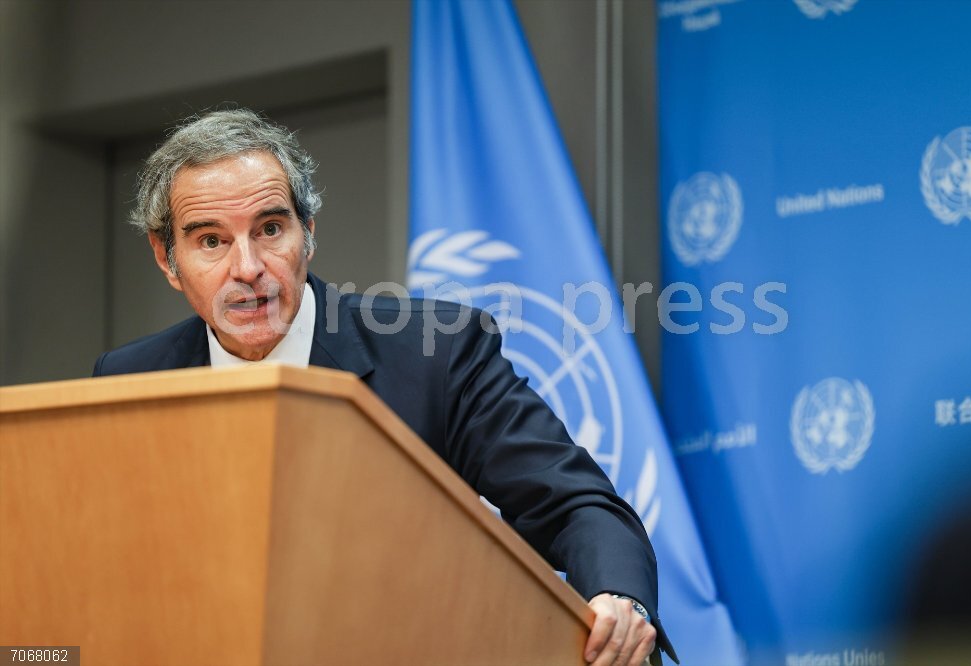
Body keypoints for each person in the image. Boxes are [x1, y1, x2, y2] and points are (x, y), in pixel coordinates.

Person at [93, 109, 677, 666]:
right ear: (167, 259)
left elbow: (576, 504)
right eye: (211, 241)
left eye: (270, 228)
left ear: (308, 233)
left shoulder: (437, 352)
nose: (247, 267)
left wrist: (619, 599)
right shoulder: (128, 382)